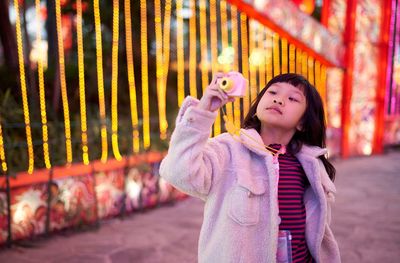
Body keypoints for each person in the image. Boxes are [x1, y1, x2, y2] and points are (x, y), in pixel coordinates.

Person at [160, 73, 341, 263]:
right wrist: (203, 110)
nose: (278, 100)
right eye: (272, 92)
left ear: (303, 123)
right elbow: (179, 172)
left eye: (292, 98)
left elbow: (318, 231)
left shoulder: (310, 165)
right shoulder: (228, 149)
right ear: (258, 106)